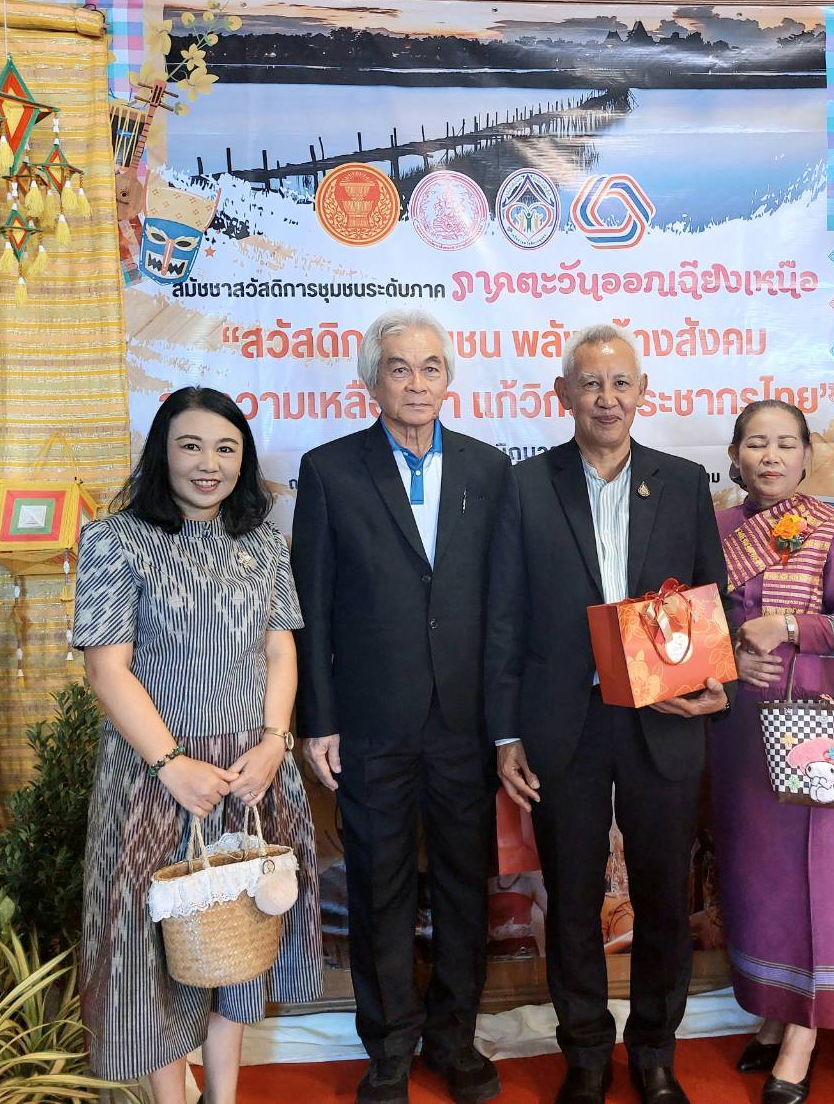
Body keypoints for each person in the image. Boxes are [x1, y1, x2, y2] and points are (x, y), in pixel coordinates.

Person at [486, 323, 730, 1104]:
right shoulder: (524, 486)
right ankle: (586, 1055)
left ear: (642, 392)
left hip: (662, 715)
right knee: (571, 897)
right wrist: (506, 732)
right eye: (590, 383)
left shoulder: (682, 482)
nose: (606, 397)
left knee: (662, 897)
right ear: (563, 394)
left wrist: (713, 680)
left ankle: (654, 1052)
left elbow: (709, 594)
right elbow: (502, 617)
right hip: (564, 723)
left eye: (620, 382)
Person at [73, 385, 323, 1104]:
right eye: (190, 446)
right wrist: (171, 765)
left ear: (243, 461)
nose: (208, 464)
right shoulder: (115, 538)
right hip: (154, 779)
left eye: (225, 448)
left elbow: (280, 650)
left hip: (250, 774)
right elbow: (106, 669)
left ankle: (223, 1096)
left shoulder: (263, 543)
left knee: (236, 943)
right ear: (163, 453)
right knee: (153, 956)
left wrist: (275, 742)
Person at [292, 310, 512, 1104]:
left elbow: (504, 605)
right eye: (398, 368)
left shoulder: (491, 469)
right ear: (371, 380)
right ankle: (387, 1048)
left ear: (448, 379)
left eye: (429, 367)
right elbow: (310, 605)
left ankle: (454, 1041)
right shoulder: (328, 470)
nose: (415, 383)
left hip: (464, 721)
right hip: (370, 719)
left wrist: (505, 724)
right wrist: (317, 719)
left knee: (462, 886)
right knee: (378, 884)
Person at [712, 400, 834, 1104]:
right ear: (735, 455)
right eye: (757, 443)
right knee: (760, 875)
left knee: (822, 875)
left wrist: (787, 628)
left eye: (786, 443)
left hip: (819, 726)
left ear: (807, 455)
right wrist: (728, 653)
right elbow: (690, 620)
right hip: (739, 729)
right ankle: (774, 1012)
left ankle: (806, 1032)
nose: (771, 456)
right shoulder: (718, 528)